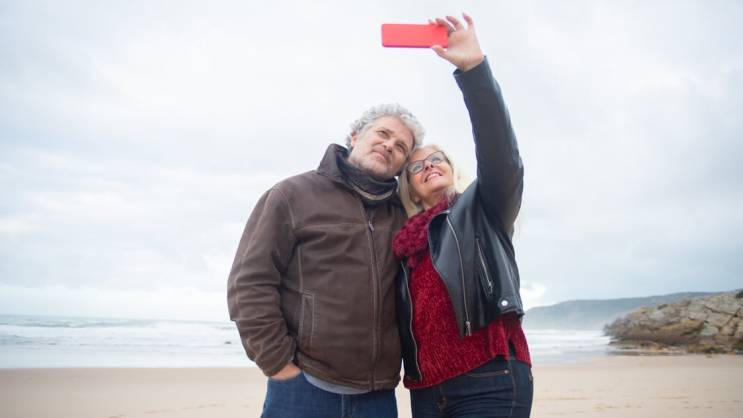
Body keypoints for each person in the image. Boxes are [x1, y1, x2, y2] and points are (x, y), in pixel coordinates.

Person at [227, 101, 424, 417]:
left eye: (401, 146)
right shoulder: (293, 194)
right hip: (304, 388)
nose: (390, 145)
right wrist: (278, 363)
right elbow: (249, 282)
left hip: (378, 397)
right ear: (355, 136)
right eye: (383, 134)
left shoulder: (403, 216)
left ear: (402, 165)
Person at [393, 14, 533, 417]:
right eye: (416, 166)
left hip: (489, 374)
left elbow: (501, 152)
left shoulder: (482, 207)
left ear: (452, 168)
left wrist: (473, 70)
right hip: (426, 390)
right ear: (409, 188)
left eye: (436, 158)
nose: (428, 166)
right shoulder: (403, 244)